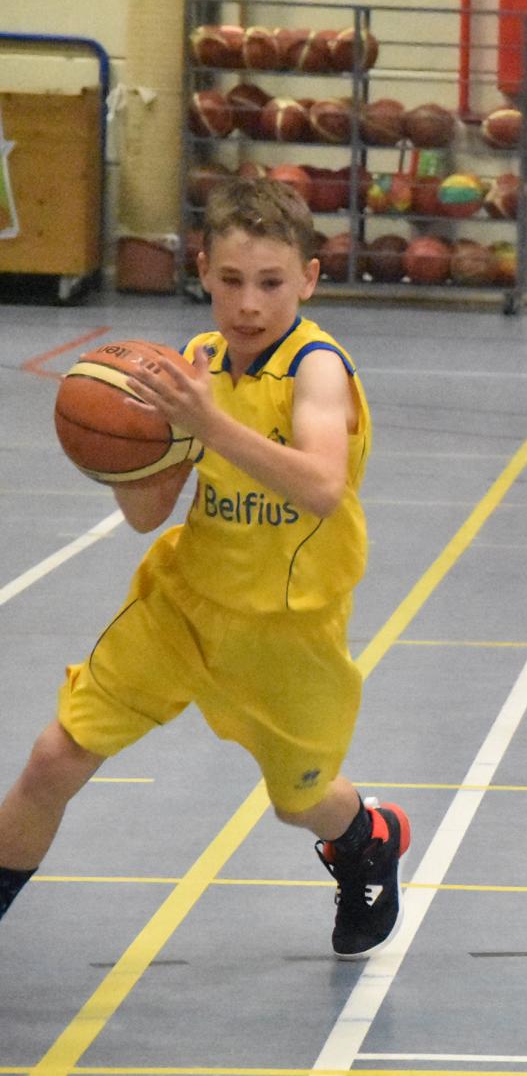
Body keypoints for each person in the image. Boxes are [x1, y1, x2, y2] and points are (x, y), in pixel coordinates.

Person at [0, 178, 411, 959]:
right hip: (183, 606)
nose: (248, 303)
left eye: (270, 282)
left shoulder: (317, 369)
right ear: (202, 271)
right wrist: (124, 451)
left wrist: (208, 424)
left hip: (288, 630)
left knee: (299, 800)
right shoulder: (193, 365)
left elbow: (323, 486)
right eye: (230, 279)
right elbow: (148, 516)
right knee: (55, 757)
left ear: (308, 279)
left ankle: (369, 835)